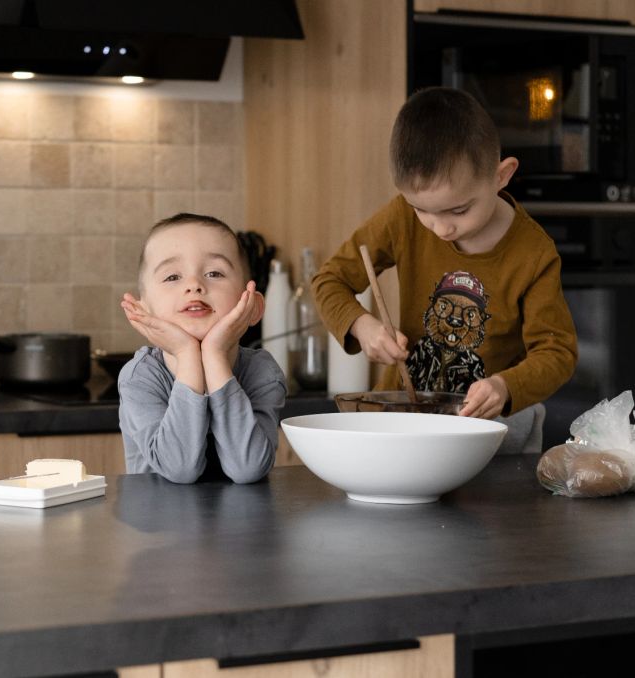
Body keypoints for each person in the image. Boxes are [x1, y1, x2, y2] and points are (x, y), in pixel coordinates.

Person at [312, 87, 577, 440]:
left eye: (459, 210)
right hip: (401, 424)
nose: (441, 227)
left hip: (492, 433)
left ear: (502, 175)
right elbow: (330, 280)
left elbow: (557, 352)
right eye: (422, 210)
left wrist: (504, 385)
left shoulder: (534, 253)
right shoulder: (401, 218)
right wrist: (363, 326)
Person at [117, 213, 286, 483]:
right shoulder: (139, 377)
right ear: (141, 311)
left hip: (246, 525)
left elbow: (248, 468)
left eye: (214, 273)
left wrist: (214, 356)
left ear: (252, 306)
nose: (194, 285)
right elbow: (180, 469)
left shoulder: (262, 371)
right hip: (158, 523)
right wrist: (187, 356)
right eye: (172, 276)